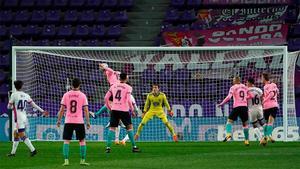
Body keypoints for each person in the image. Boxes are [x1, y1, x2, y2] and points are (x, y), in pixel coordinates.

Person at [7, 80, 49, 157]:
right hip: (24, 116)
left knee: (21, 134)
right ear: (22, 86)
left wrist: (13, 106)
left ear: (15, 86)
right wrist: (42, 111)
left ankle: (33, 150)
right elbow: (34, 105)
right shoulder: (26, 95)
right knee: (16, 133)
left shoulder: (14, 95)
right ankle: (13, 153)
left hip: (18, 117)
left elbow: (9, 106)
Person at [57, 78, 90, 166]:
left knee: (66, 141)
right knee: (82, 141)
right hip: (79, 121)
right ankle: (82, 160)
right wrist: (88, 122)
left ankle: (66, 161)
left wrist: (59, 120)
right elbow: (86, 110)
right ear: (79, 85)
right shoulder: (83, 95)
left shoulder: (66, 95)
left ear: (71, 85)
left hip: (68, 121)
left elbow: (61, 109)